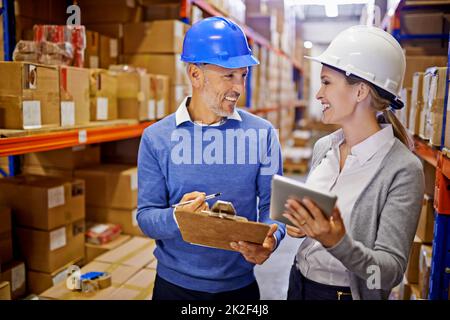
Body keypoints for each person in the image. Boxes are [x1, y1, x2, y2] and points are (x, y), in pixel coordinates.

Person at [136, 17, 286, 300]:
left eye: (243, 75)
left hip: (238, 290)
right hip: (174, 288)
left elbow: (273, 206)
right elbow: (146, 217)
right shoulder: (157, 138)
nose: (239, 87)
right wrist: (179, 218)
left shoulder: (263, 134)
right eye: (228, 75)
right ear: (195, 74)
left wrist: (272, 239)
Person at [282, 25, 425, 300]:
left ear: (360, 91)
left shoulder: (403, 169)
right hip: (298, 284)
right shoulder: (325, 148)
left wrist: (337, 243)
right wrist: (303, 226)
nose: (318, 94)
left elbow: (389, 274)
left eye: (326, 82)